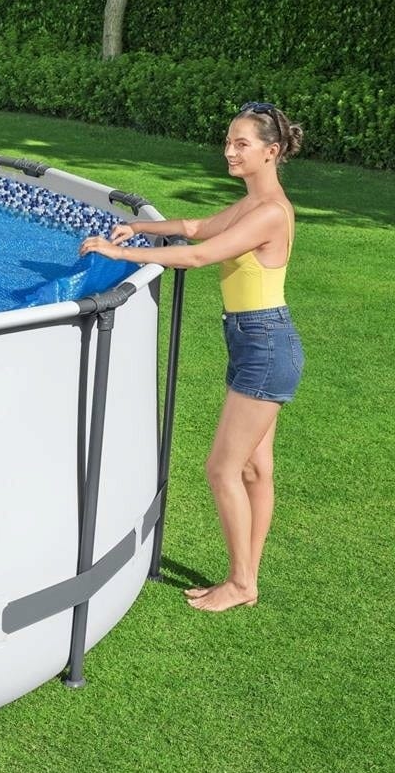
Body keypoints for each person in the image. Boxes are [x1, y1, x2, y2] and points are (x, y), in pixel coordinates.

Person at [78, 102, 306, 612]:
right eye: (228, 141)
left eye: (241, 144)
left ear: (271, 152)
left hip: (265, 344)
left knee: (223, 469)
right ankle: (247, 577)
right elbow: (198, 227)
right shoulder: (253, 203)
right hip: (255, 340)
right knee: (254, 469)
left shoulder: (270, 211)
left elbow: (200, 255)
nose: (229, 151)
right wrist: (141, 228)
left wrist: (122, 254)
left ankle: (241, 583)